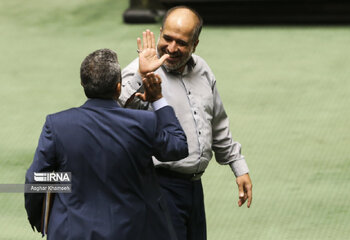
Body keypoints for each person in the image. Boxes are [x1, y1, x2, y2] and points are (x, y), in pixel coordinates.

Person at [118, 5, 253, 240]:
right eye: (167, 38)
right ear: (160, 32)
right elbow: (114, 113)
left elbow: (217, 122)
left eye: (180, 42)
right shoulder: (139, 70)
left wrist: (237, 165)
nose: (171, 48)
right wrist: (141, 76)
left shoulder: (202, 70)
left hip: (193, 187)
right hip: (157, 187)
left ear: (195, 44)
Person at [25, 48, 188, 240]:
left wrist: (44, 217)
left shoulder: (57, 124)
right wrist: (158, 100)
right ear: (118, 86)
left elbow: (36, 180)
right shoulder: (143, 122)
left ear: (82, 84)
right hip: (132, 232)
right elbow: (177, 146)